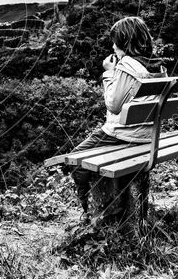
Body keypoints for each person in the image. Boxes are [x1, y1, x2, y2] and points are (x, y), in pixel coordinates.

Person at [69, 16, 167, 214]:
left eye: (115, 41)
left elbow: (113, 105)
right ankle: (116, 207)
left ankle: (88, 210)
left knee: (75, 159)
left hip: (124, 135)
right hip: (148, 136)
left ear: (124, 42)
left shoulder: (127, 65)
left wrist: (109, 73)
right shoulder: (159, 66)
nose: (113, 47)